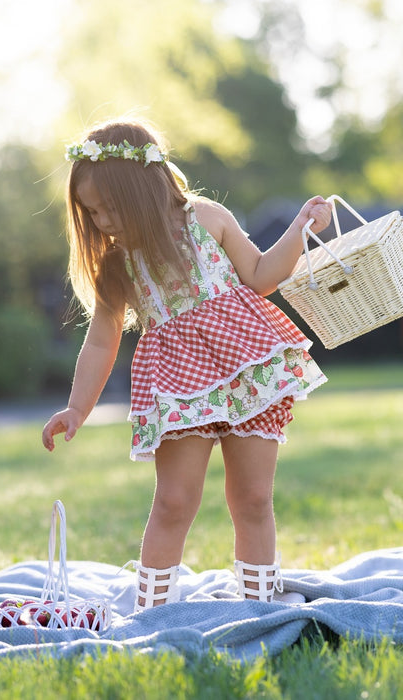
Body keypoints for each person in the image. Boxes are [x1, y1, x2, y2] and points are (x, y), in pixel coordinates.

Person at [42, 117, 332, 610]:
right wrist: (76, 408)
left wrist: (300, 228)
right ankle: (152, 610)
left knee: (253, 499)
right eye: (91, 213)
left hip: (247, 371)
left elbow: (261, 275)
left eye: (110, 207)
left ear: (143, 189)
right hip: (179, 387)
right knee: (174, 501)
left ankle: (258, 603)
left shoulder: (207, 217)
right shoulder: (117, 263)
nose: (102, 222)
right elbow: (101, 340)